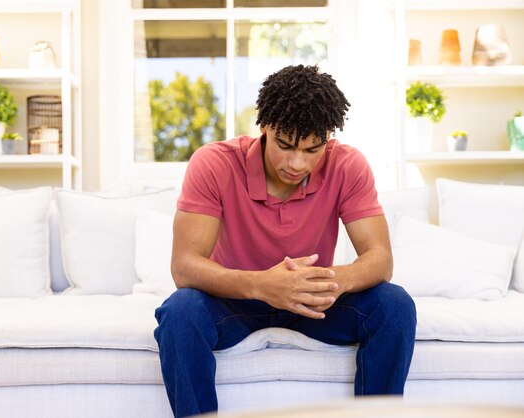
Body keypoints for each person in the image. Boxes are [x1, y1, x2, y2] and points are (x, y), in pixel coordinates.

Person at [154, 64, 417, 418]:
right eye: (285, 145)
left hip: (313, 304)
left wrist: (315, 284)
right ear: (263, 127)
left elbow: (380, 259)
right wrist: (263, 285)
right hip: (237, 302)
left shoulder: (348, 165)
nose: (297, 163)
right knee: (180, 311)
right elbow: (185, 267)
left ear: (328, 136)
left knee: (394, 304)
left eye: (313, 149)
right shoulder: (213, 164)